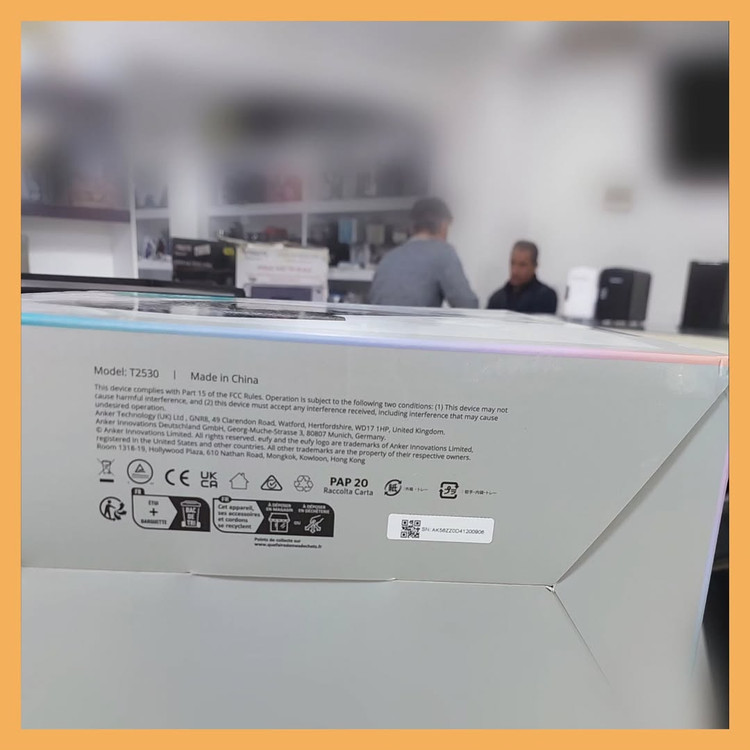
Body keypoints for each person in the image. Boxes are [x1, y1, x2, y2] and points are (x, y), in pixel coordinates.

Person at [369, 198, 478, 308]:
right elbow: (467, 304)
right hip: (414, 319)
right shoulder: (443, 253)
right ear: (444, 225)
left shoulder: (389, 258)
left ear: (412, 227)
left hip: (379, 319)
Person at [487, 240, 558, 314]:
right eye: (512, 263)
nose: (515, 271)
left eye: (522, 265)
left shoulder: (545, 296)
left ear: (535, 266)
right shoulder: (497, 298)